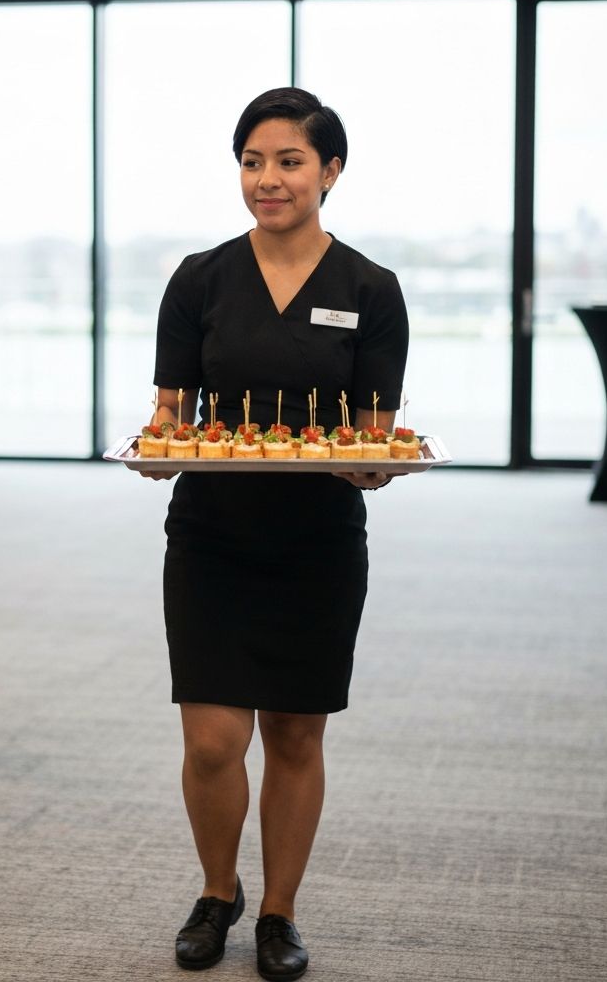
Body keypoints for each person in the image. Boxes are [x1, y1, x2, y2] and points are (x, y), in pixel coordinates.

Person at [143, 87, 409, 981]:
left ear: (330, 171)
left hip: (319, 543)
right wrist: (160, 452)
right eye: (253, 161)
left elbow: (374, 432)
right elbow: (170, 415)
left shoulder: (371, 289)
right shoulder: (200, 278)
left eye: (289, 161)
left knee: (296, 736)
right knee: (212, 739)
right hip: (213, 537)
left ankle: (279, 912)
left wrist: (374, 466)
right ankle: (217, 893)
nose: (268, 179)